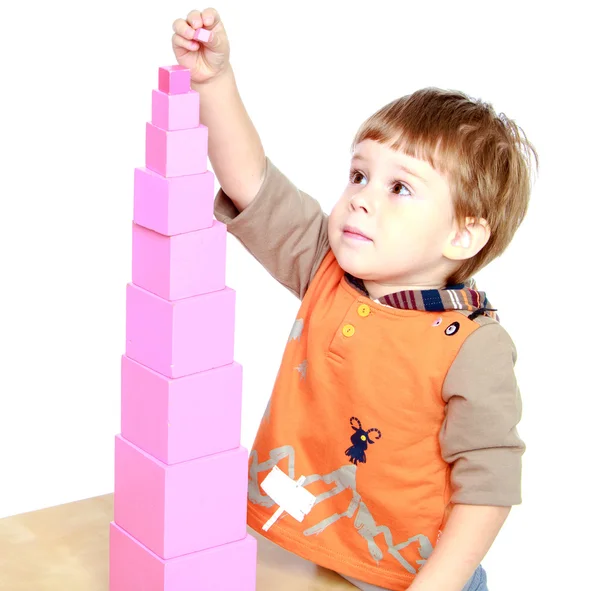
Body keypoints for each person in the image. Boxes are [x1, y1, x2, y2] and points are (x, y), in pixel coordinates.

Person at [171, 8, 538, 591]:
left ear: (462, 234)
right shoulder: (325, 267)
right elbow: (251, 183)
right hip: (314, 549)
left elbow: (490, 483)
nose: (362, 199)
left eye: (400, 188)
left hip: (413, 575)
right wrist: (214, 82)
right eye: (359, 175)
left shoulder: (472, 345)